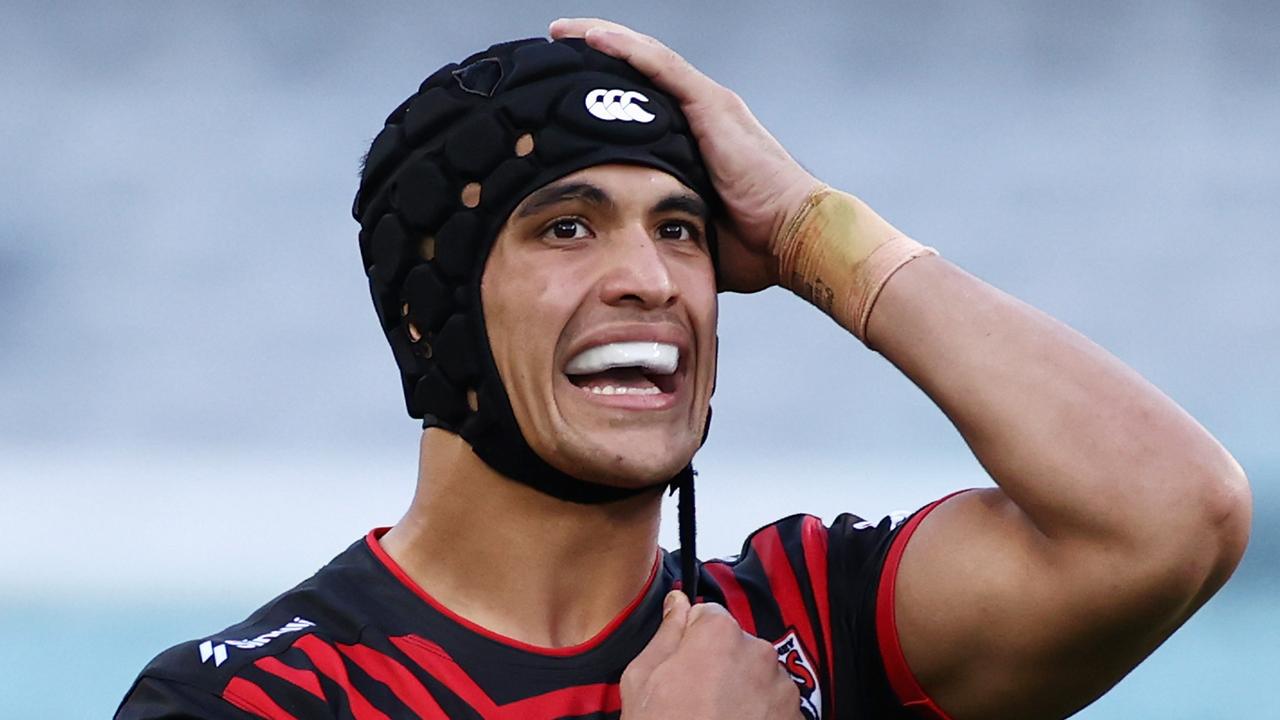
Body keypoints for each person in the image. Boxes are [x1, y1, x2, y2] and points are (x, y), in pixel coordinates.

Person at [115, 18, 1251, 720]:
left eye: (678, 230)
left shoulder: (805, 625)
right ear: (435, 312)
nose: (651, 281)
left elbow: (1169, 517)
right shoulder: (256, 699)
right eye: (565, 228)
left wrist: (816, 234)